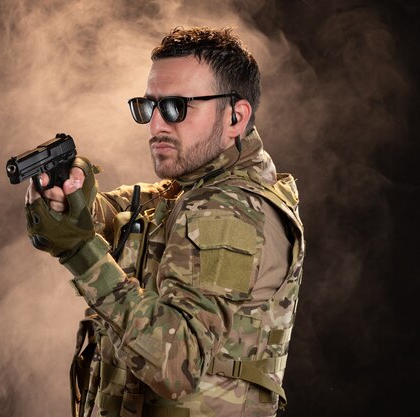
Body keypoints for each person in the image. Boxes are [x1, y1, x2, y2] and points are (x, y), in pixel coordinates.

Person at [24, 26, 305, 417]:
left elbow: (176, 365)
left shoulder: (230, 211)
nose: (156, 125)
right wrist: (76, 203)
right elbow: (141, 207)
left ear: (236, 117)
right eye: (148, 107)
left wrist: (79, 250)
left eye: (176, 107)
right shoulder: (194, 190)